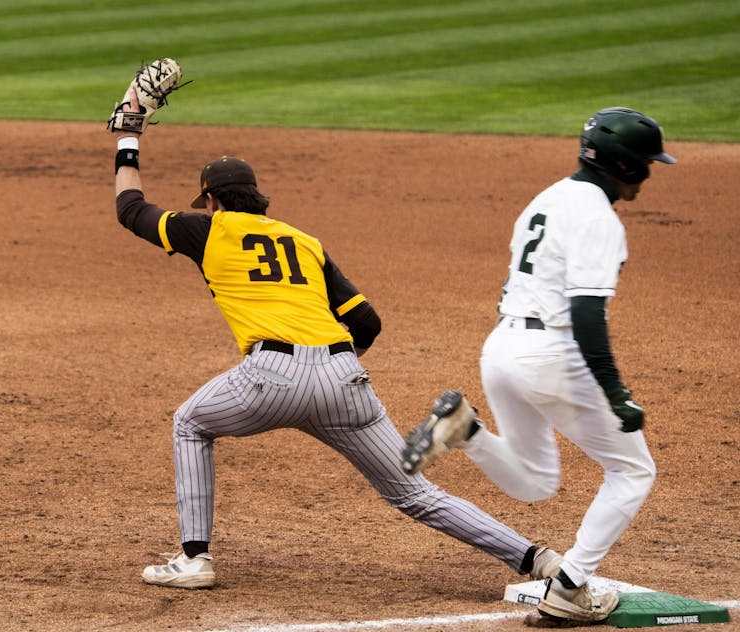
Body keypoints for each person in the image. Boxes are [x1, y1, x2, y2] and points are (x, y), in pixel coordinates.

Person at [110, 87, 561, 591]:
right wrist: (330, 368)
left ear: (212, 200)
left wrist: (128, 132)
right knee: (415, 494)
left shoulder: (206, 229)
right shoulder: (304, 242)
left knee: (190, 424)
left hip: (269, 377)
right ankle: (537, 558)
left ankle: (195, 558)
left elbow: (130, 208)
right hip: (346, 377)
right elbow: (366, 322)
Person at [401, 107, 674, 623]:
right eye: (647, 163)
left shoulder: (545, 200)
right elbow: (587, 314)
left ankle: (467, 429)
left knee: (534, 483)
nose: (650, 172)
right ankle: (570, 589)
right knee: (633, 470)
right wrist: (616, 393)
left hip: (501, 349)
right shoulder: (598, 217)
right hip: (551, 354)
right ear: (628, 166)